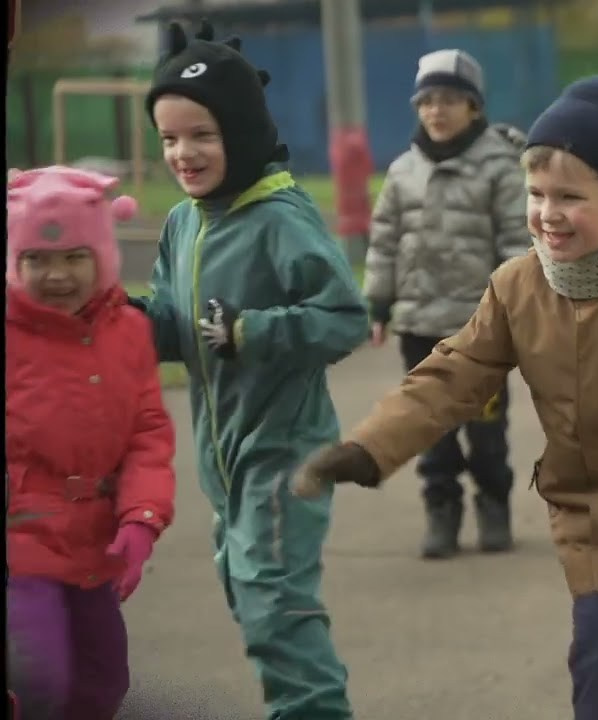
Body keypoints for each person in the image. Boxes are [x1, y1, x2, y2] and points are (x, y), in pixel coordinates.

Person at [293, 75, 598, 720]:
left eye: (570, 196)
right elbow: (451, 375)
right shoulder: (519, 286)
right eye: (536, 194)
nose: (547, 213)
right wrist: (369, 448)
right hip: (592, 521)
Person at [130, 20, 368, 720]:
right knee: (248, 592)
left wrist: (252, 331)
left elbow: (345, 316)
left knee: (273, 603)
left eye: (201, 135)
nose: (184, 153)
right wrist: (118, 323)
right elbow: (177, 327)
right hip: (225, 454)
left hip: (285, 451)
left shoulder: (280, 219)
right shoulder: (183, 222)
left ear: (239, 129)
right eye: (170, 138)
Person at [6, 166, 177, 720]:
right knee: (38, 679)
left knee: (103, 680)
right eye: (37, 259)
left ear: (101, 254)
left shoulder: (128, 329)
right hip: (20, 541)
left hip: (94, 541)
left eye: (74, 257)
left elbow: (147, 430)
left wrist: (142, 517)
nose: (56, 275)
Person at [364, 48, 528, 559]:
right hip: (417, 324)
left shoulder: (500, 168)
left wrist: (515, 309)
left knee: (485, 428)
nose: (437, 111)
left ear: (474, 107)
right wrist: (378, 303)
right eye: (428, 100)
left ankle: (493, 504)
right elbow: (385, 240)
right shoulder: (403, 171)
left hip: (479, 327)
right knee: (429, 427)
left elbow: (515, 242)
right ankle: (442, 510)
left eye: (451, 100)